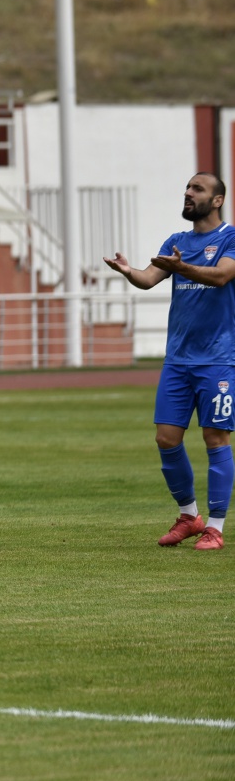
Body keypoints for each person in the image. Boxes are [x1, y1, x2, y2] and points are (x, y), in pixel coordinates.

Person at [104, 172, 235, 552]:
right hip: (178, 360)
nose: (188, 193)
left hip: (218, 359)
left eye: (197, 189)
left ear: (217, 200)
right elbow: (149, 279)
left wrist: (183, 269)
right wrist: (129, 272)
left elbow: (223, 276)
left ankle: (215, 527)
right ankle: (188, 516)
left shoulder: (229, 237)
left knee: (215, 438)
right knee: (166, 438)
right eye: (187, 188)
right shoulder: (176, 241)